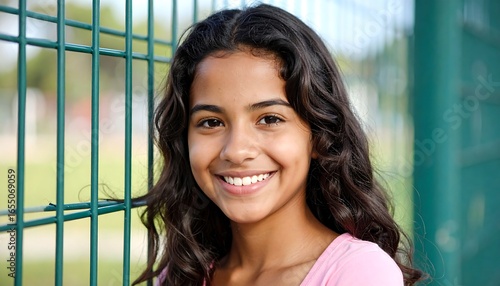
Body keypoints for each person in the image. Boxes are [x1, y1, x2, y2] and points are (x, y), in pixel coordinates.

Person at [133, 4, 425, 286]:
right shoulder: (183, 273)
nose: (235, 150)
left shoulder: (358, 273)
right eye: (211, 122)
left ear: (319, 135)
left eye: (269, 119)